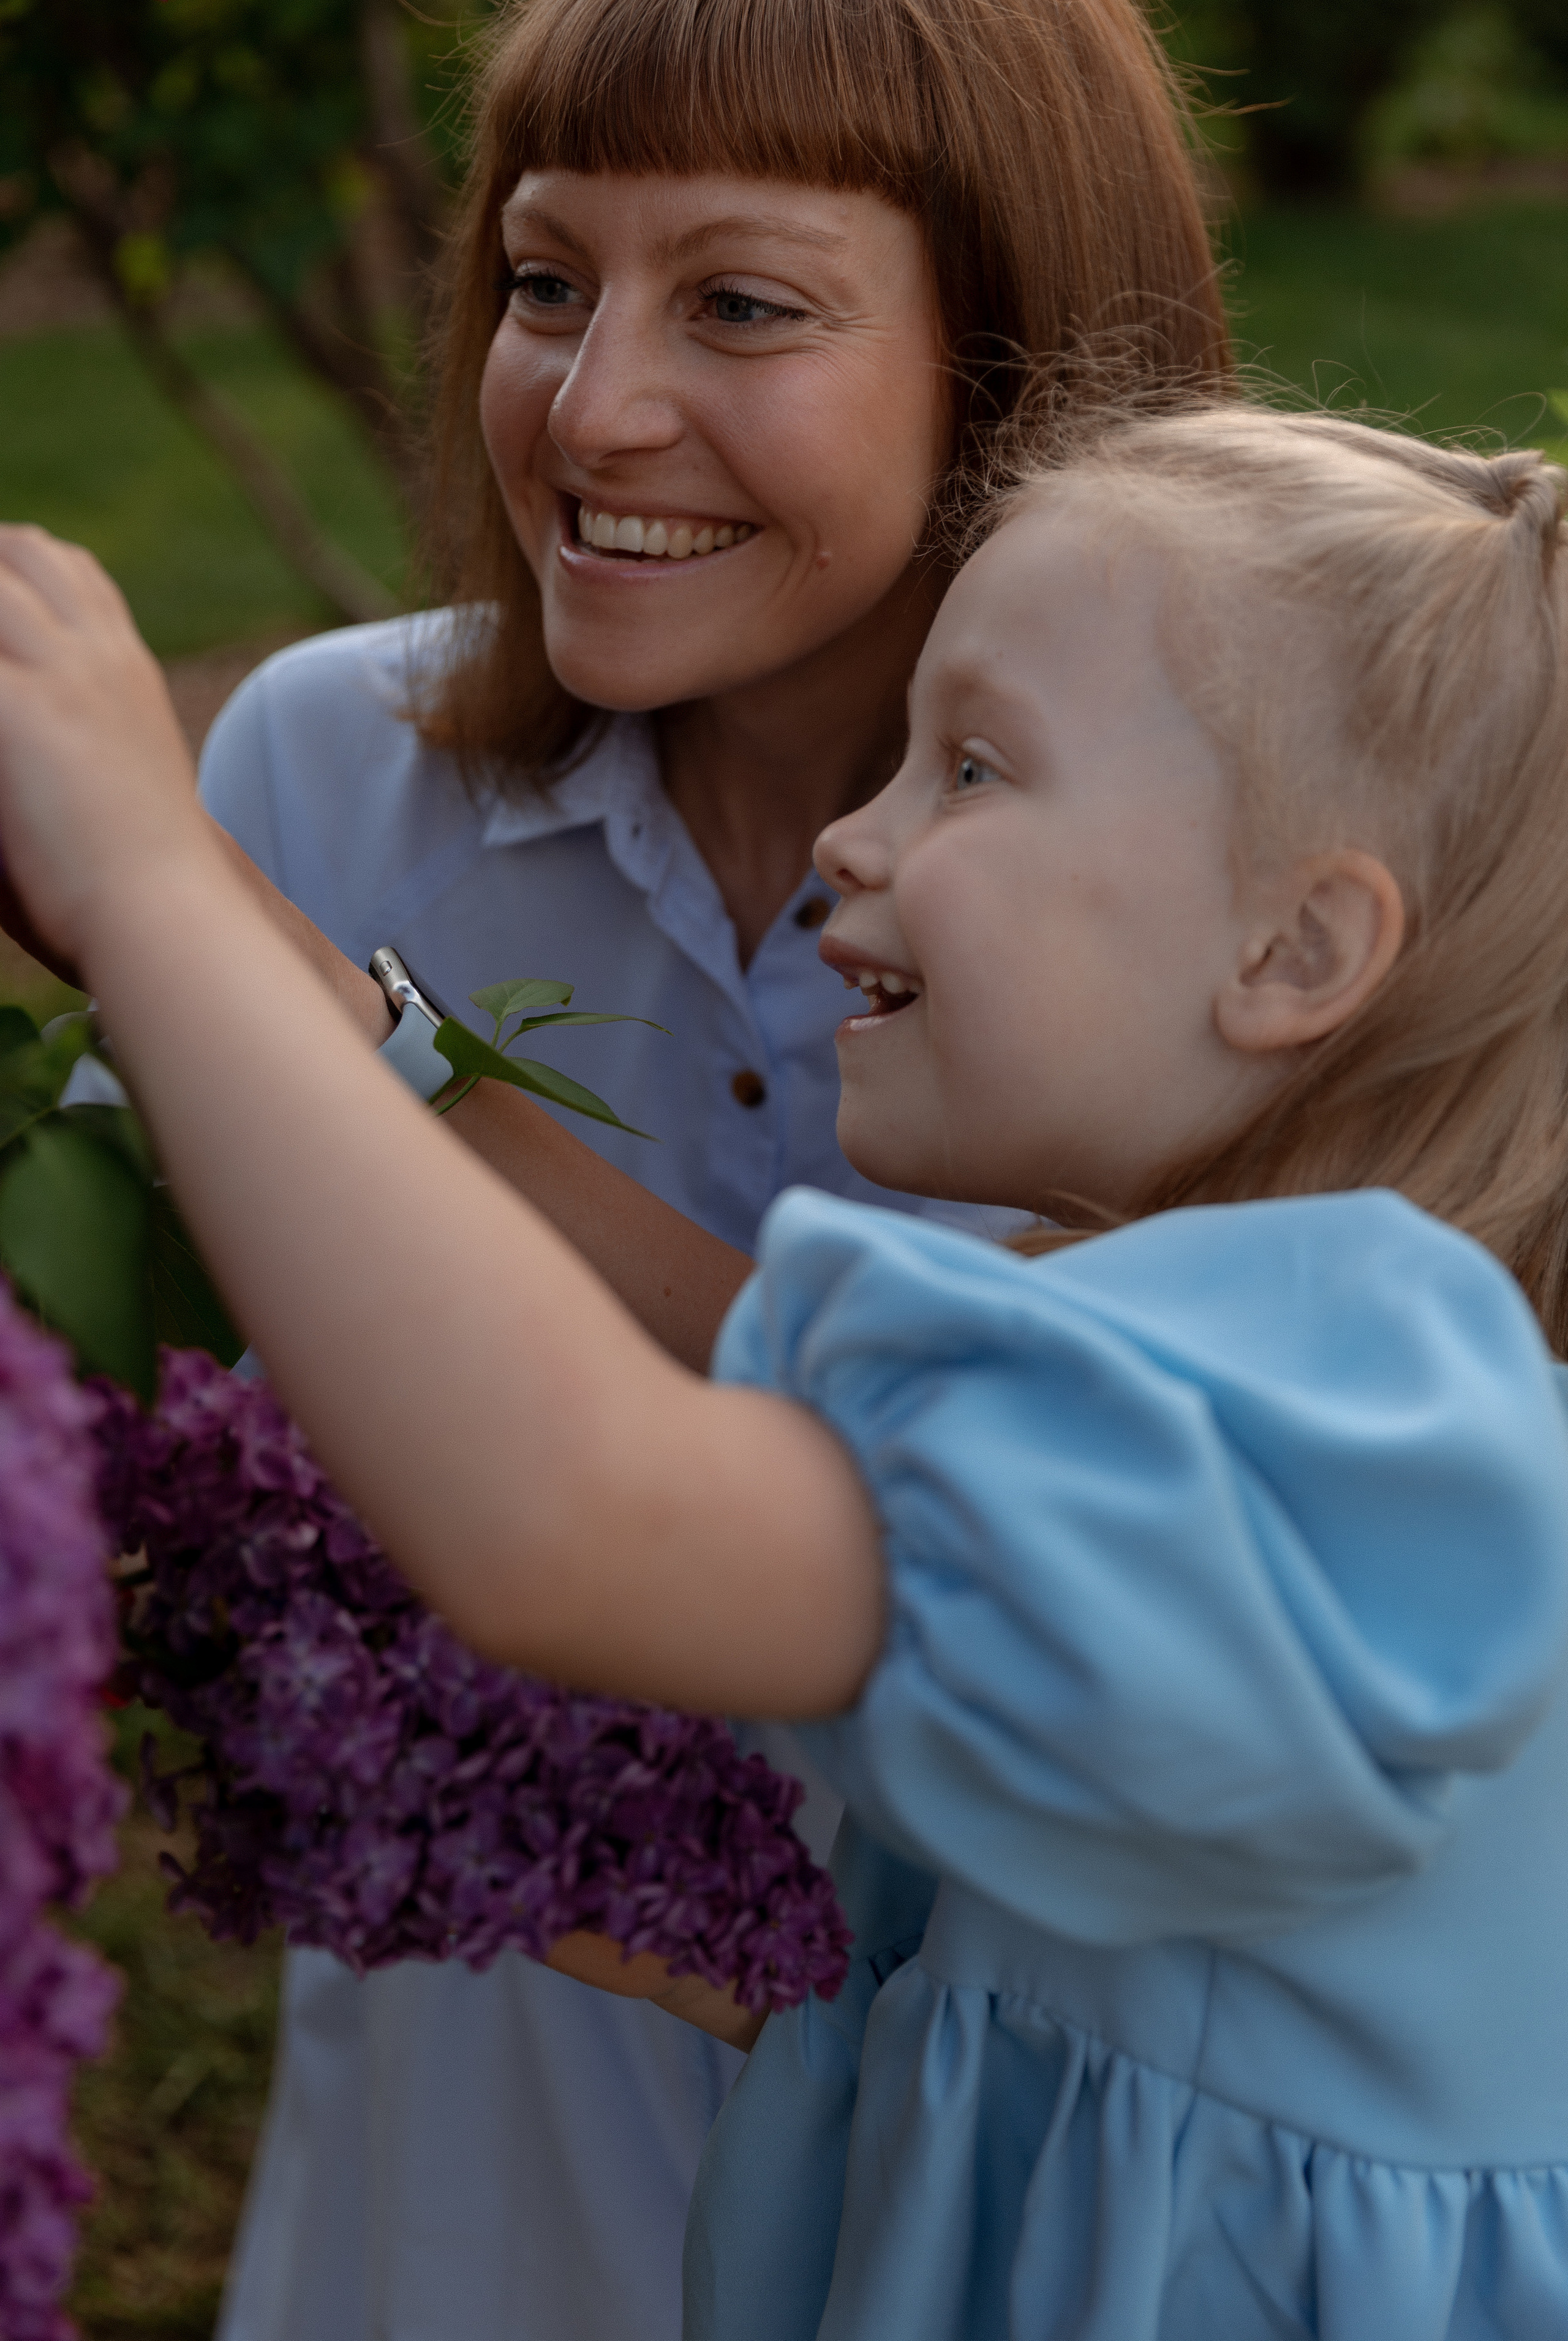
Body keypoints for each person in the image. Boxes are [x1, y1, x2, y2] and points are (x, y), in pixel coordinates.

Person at [5, 401, 1568, 2338]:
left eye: (975, 767)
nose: (859, 831)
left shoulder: (1343, 1451)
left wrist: (152, 891)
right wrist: (324, 1005)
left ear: (1298, 947)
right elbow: (728, 1349)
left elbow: (576, 1510)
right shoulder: (1224, 1356)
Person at [159, 0, 1231, 2329]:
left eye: (739, 302)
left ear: (1020, 361)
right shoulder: (325, 785)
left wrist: (318, 1028)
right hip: (439, 2220)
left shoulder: (1235, 950)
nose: (593, 402)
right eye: (549, 283)